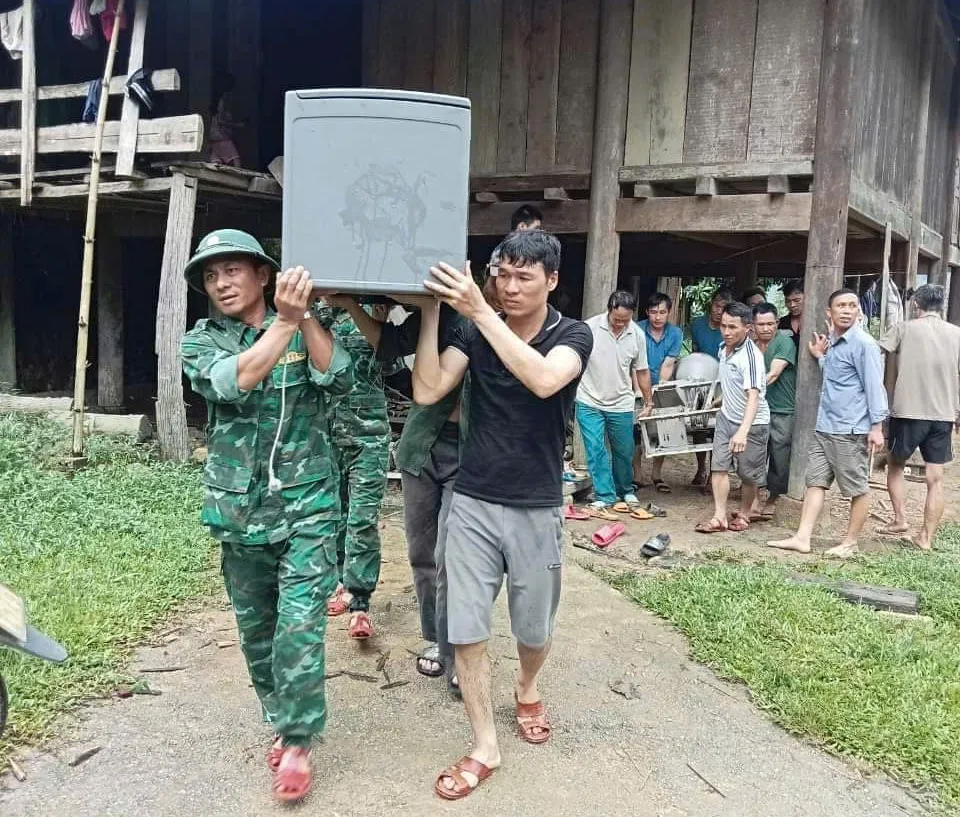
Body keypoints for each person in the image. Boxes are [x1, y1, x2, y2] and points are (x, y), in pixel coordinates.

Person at [411, 229, 592, 800]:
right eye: (502, 274)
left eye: (524, 277)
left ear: (552, 281)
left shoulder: (574, 335)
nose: (509, 287)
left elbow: (542, 379)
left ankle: (528, 685)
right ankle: (485, 742)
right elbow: (428, 389)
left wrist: (480, 310)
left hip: (536, 505)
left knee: (533, 629)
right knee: (464, 627)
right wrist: (431, 315)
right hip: (471, 501)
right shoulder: (473, 327)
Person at [180, 230, 352, 802]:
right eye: (211, 275)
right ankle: (282, 717)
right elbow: (236, 381)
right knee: (257, 633)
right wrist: (283, 323)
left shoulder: (305, 323)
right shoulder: (202, 341)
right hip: (240, 511)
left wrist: (301, 318)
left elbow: (340, 376)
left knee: (299, 624)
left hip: (309, 505)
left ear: (262, 274)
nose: (222, 283)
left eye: (233, 270)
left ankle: (299, 740)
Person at [322, 293, 464, 689]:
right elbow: (389, 346)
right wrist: (348, 305)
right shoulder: (420, 322)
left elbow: (411, 378)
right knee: (420, 552)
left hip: (463, 450)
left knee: (453, 553)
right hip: (411, 446)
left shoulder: (469, 322)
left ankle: (456, 650)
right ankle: (435, 638)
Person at [769, 289, 887, 557]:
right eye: (841, 306)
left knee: (857, 487)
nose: (847, 310)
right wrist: (820, 356)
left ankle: (850, 542)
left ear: (859, 311)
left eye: (852, 306)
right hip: (825, 426)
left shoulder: (864, 344)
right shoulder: (833, 341)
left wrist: (877, 427)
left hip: (850, 428)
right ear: (829, 312)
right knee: (816, 482)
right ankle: (802, 537)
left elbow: (874, 386)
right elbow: (836, 378)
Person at [314, 301, 390, 639]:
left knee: (361, 519)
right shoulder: (314, 314)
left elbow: (391, 359)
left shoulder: (378, 307)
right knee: (334, 515)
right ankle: (339, 583)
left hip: (369, 437)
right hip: (326, 434)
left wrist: (377, 312)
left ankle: (360, 603)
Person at [878, 284, 960, 550]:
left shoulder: (904, 328)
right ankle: (926, 537)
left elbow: (879, 350)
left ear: (916, 305)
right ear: (940, 306)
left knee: (895, 465)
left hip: (908, 410)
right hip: (944, 414)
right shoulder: (956, 334)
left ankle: (900, 519)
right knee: (935, 478)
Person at [575, 290, 652, 515]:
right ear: (608, 310)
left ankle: (625, 489)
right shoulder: (589, 328)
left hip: (621, 403)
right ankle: (604, 495)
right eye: (616, 319)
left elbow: (643, 370)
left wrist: (649, 401)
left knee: (624, 450)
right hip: (589, 399)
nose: (620, 324)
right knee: (596, 449)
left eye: (625, 320)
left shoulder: (636, 334)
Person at [695, 302, 769, 533]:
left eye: (732, 327)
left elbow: (754, 397)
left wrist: (743, 431)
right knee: (718, 467)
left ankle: (745, 513)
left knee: (748, 474)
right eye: (723, 326)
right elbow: (729, 381)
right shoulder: (722, 348)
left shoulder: (751, 356)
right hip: (726, 417)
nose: (726, 332)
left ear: (747, 328)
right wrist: (722, 400)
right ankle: (719, 516)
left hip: (753, 423)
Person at [636, 292, 684, 492]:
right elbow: (634, 364)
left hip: (661, 385)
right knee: (635, 431)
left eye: (662, 312)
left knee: (663, 429)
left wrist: (658, 390)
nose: (657, 317)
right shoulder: (637, 329)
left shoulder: (675, 333)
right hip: (636, 382)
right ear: (647, 312)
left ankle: (657, 474)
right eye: (654, 312)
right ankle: (636, 474)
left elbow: (669, 364)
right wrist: (639, 392)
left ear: (669, 313)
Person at [752, 302, 797, 516]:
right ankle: (754, 497)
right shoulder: (749, 345)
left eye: (770, 323)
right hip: (759, 407)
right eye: (761, 324)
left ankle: (773, 498)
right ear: (753, 325)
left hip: (782, 407)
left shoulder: (784, 342)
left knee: (779, 453)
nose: (766, 328)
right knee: (756, 452)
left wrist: (749, 392)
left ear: (777, 323)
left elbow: (774, 373)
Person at [688, 287, 733, 485]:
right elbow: (694, 351)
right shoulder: (697, 325)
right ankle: (701, 468)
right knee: (699, 426)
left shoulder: (730, 328)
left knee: (718, 430)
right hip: (700, 381)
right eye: (716, 305)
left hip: (723, 382)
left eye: (723, 308)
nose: (718, 310)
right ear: (711, 304)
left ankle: (715, 473)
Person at [779, 279, 804, 349]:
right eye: (788, 301)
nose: (792, 305)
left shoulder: (815, 321)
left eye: (797, 300)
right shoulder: (781, 323)